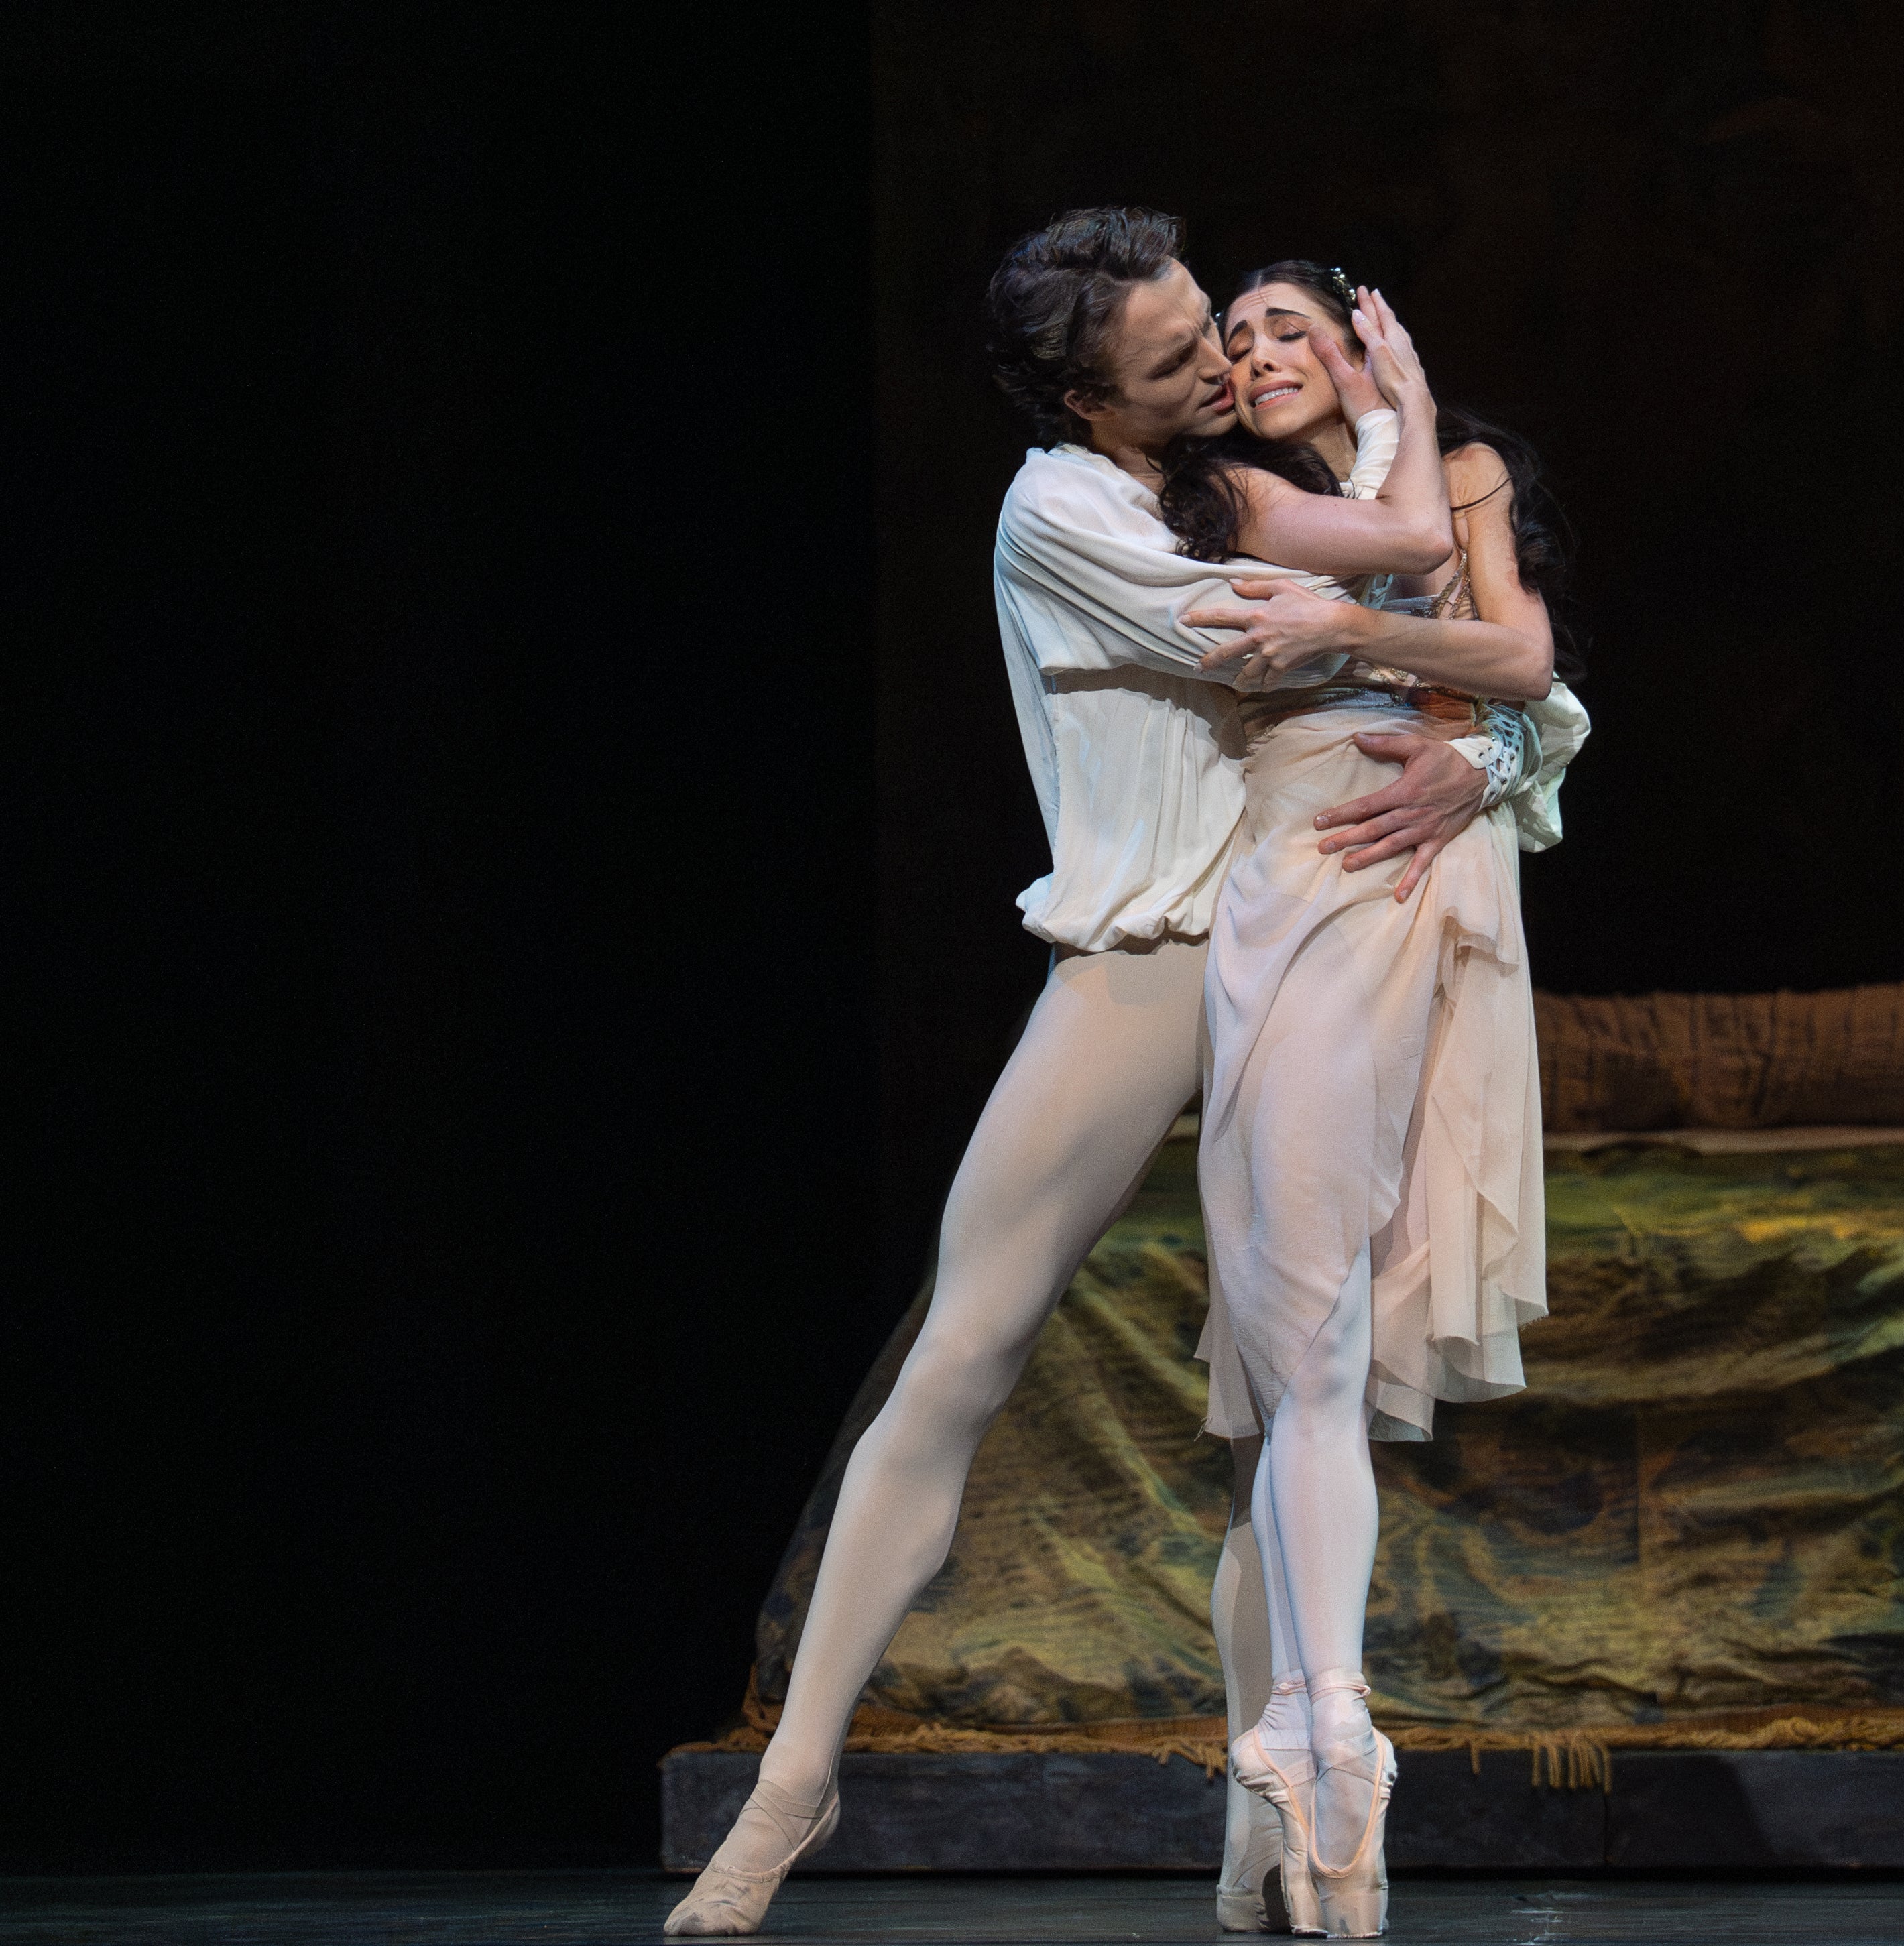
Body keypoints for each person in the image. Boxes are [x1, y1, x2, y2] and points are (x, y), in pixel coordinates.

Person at [662, 210, 1571, 1938]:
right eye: (1178, 360)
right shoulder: (1070, 506)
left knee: (1284, 1388)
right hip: (1152, 961)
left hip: (1308, 924)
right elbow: (1346, 619)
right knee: (965, 1345)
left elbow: (1479, 662)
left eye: (1213, 332)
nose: (1220, 366)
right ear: (1089, 395)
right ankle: (796, 1779)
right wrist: (1426, 473)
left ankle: (1268, 1828)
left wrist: (1502, 746)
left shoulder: (1223, 466)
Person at [1159, 265, 1584, 1937]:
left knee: (1323, 1347)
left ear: (1364, 343)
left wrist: (1464, 728)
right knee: (1294, 1354)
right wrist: (1376, 644)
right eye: (1235, 339)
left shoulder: (1456, 467)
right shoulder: (1223, 500)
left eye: (1291, 331)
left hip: (1442, 884)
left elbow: (1525, 664)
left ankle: (1304, 1767)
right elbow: (1445, 638)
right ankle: (1297, 1778)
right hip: (1300, 869)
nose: (1260, 357)